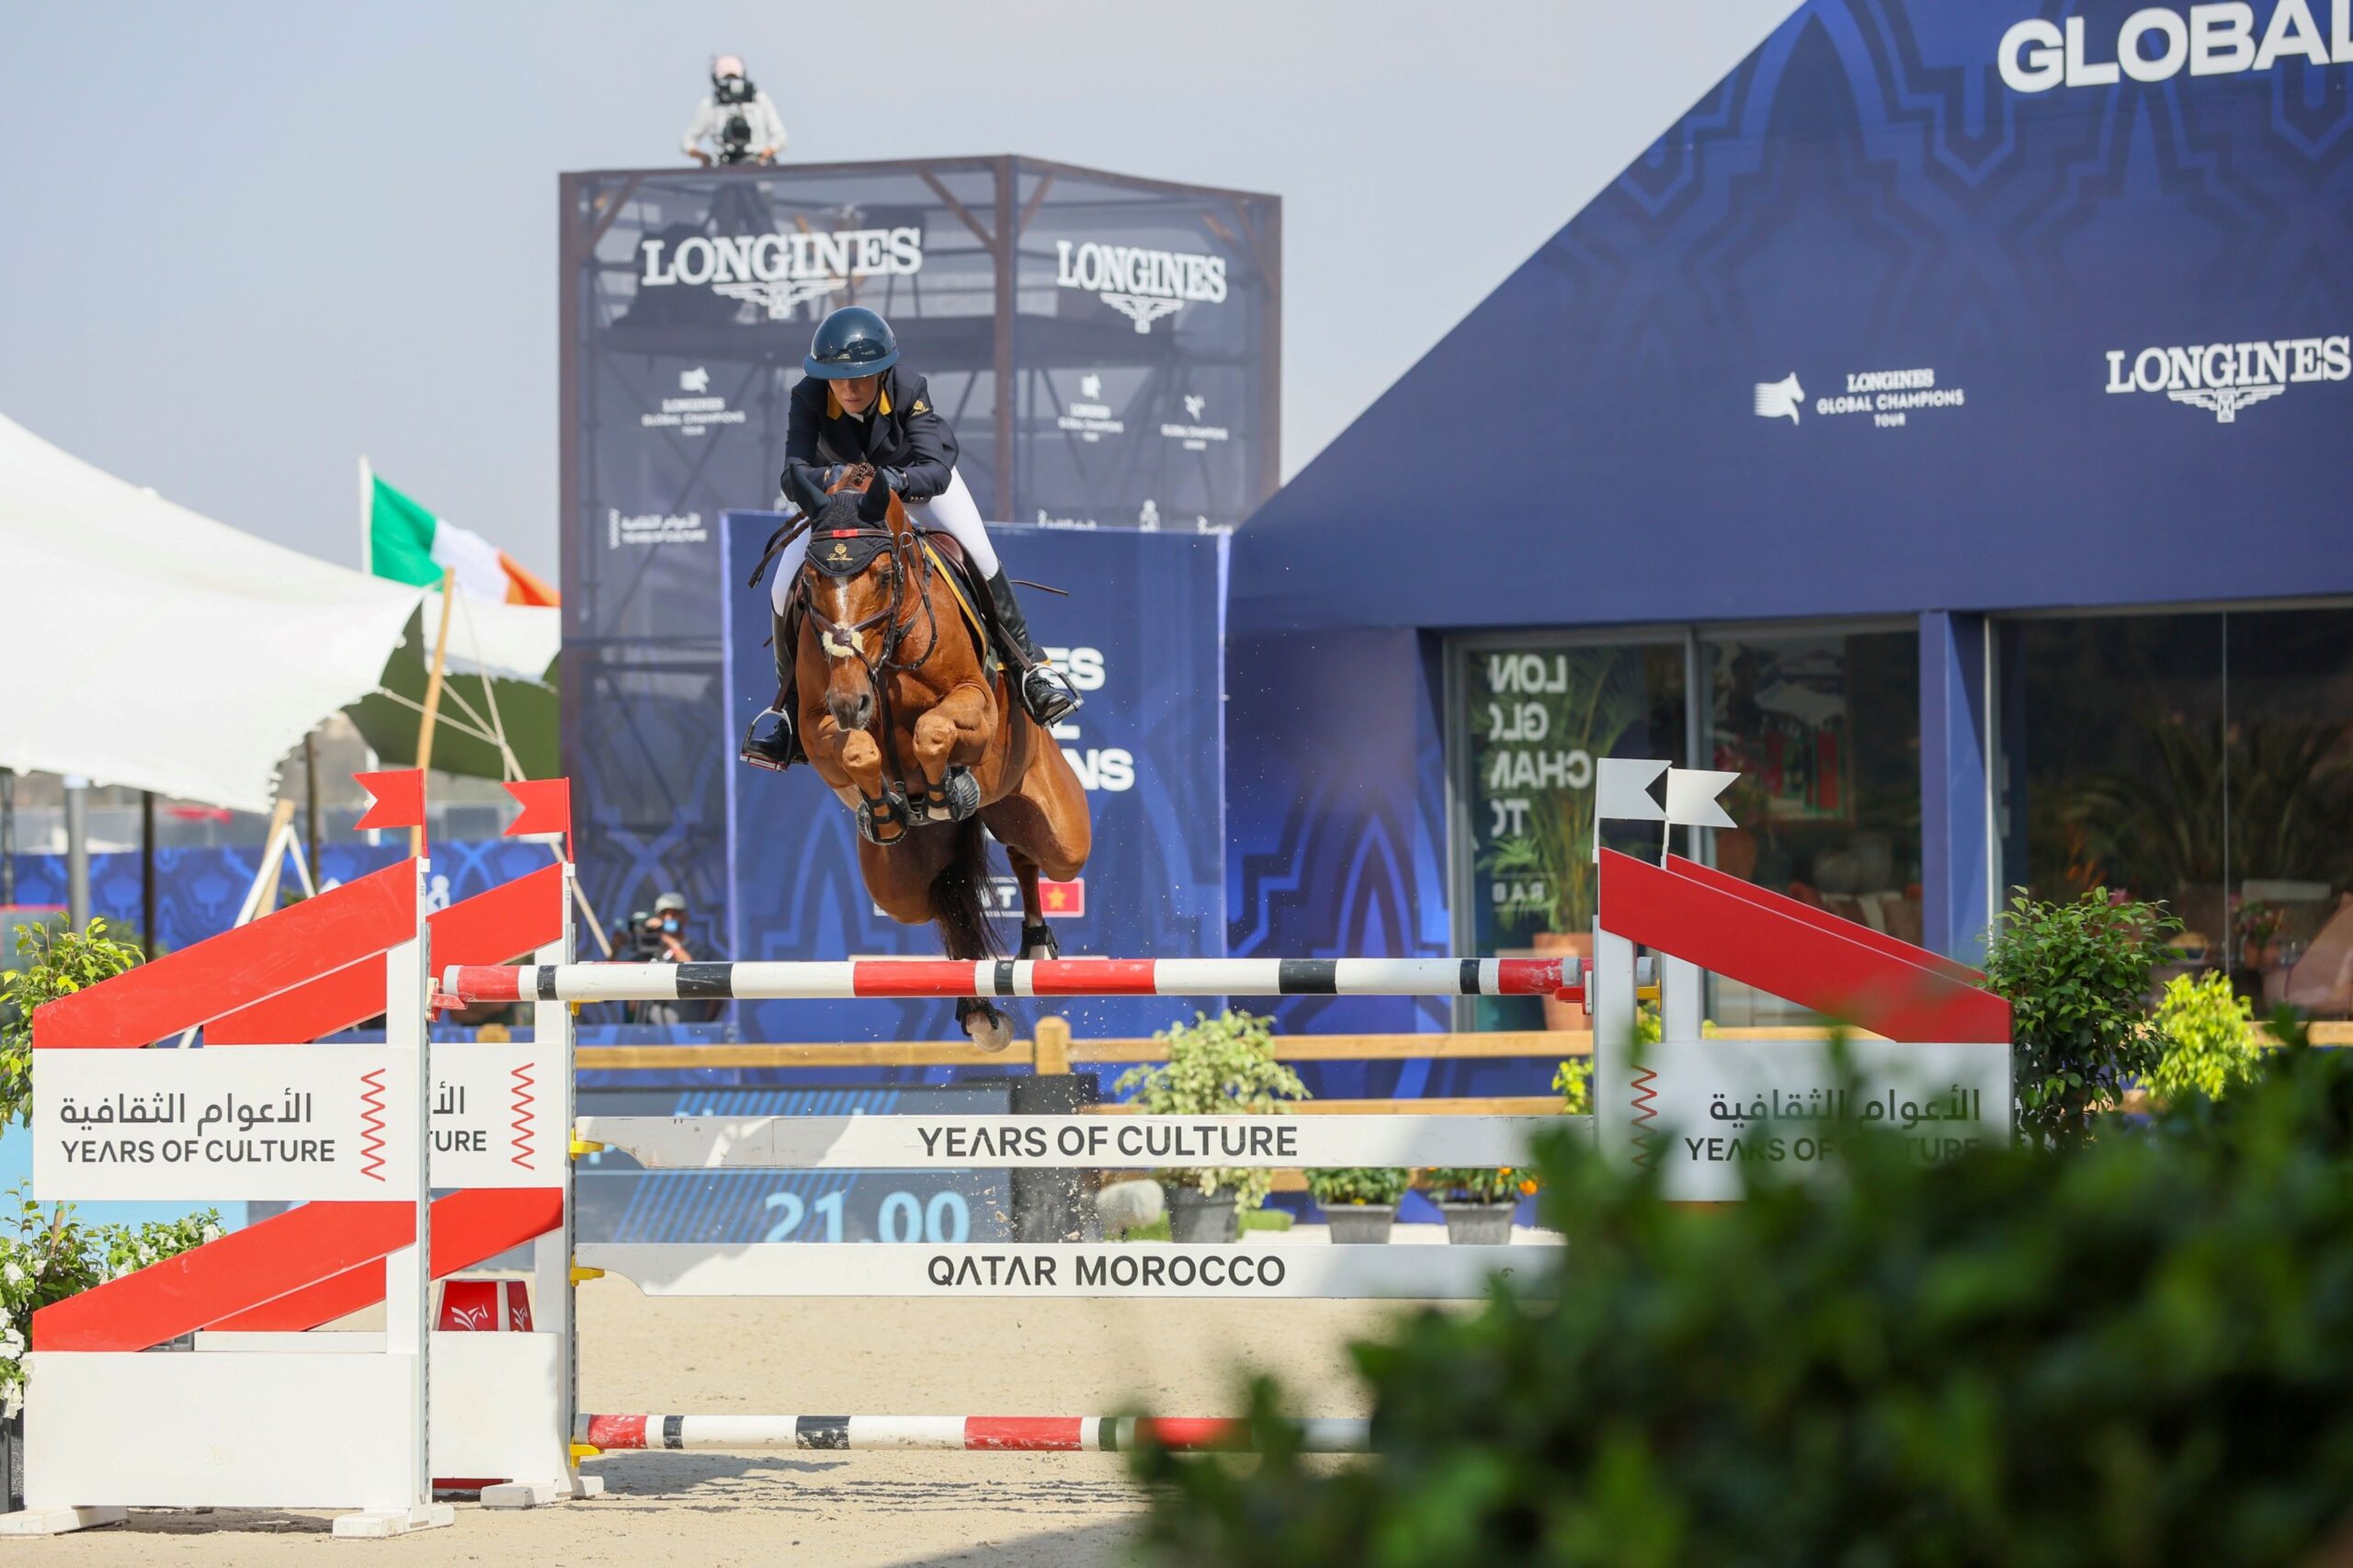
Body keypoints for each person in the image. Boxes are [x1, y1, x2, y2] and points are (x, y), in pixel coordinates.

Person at [741, 305, 1081, 771]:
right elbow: (792, 474)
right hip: (839, 500)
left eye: (860, 378)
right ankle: (788, 712)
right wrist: (846, 479)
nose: (849, 389)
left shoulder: (908, 387)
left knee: (978, 554)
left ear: (883, 373)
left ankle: (1031, 672)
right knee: (784, 587)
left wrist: (888, 482)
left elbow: (935, 470)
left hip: (914, 486)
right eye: (838, 379)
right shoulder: (807, 395)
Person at [681, 55, 786, 166]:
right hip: (724, 167)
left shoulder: (759, 100)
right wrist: (703, 157)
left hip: (758, 166)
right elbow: (687, 141)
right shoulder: (710, 104)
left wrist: (765, 154)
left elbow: (780, 137)